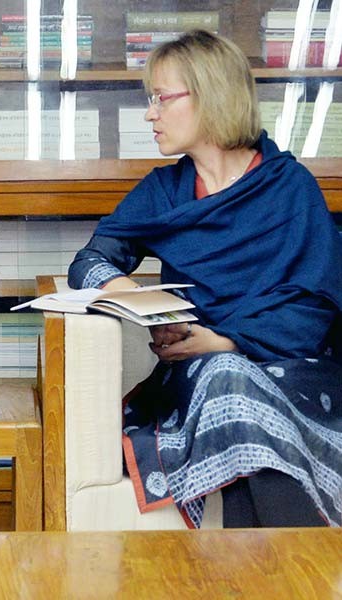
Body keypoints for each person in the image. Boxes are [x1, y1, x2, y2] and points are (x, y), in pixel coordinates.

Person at [68, 31, 342, 529]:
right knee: (222, 377)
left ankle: (262, 574)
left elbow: (314, 305)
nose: (149, 114)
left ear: (210, 94)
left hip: (290, 366)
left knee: (229, 376)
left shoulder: (289, 186)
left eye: (160, 99)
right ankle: (294, 576)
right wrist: (134, 296)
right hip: (194, 372)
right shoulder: (164, 192)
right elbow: (89, 262)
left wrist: (221, 340)